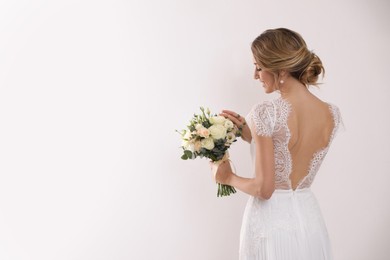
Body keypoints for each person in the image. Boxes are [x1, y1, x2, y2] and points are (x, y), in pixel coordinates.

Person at [212, 28, 342, 260]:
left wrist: (227, 177)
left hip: (269, 226)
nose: (255, 75)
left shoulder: (266, 112)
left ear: (281, 70)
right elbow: (292, 146)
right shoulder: (331, 113)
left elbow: (265, 189)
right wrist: (250, 133)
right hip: (309, 223)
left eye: (259, 67)